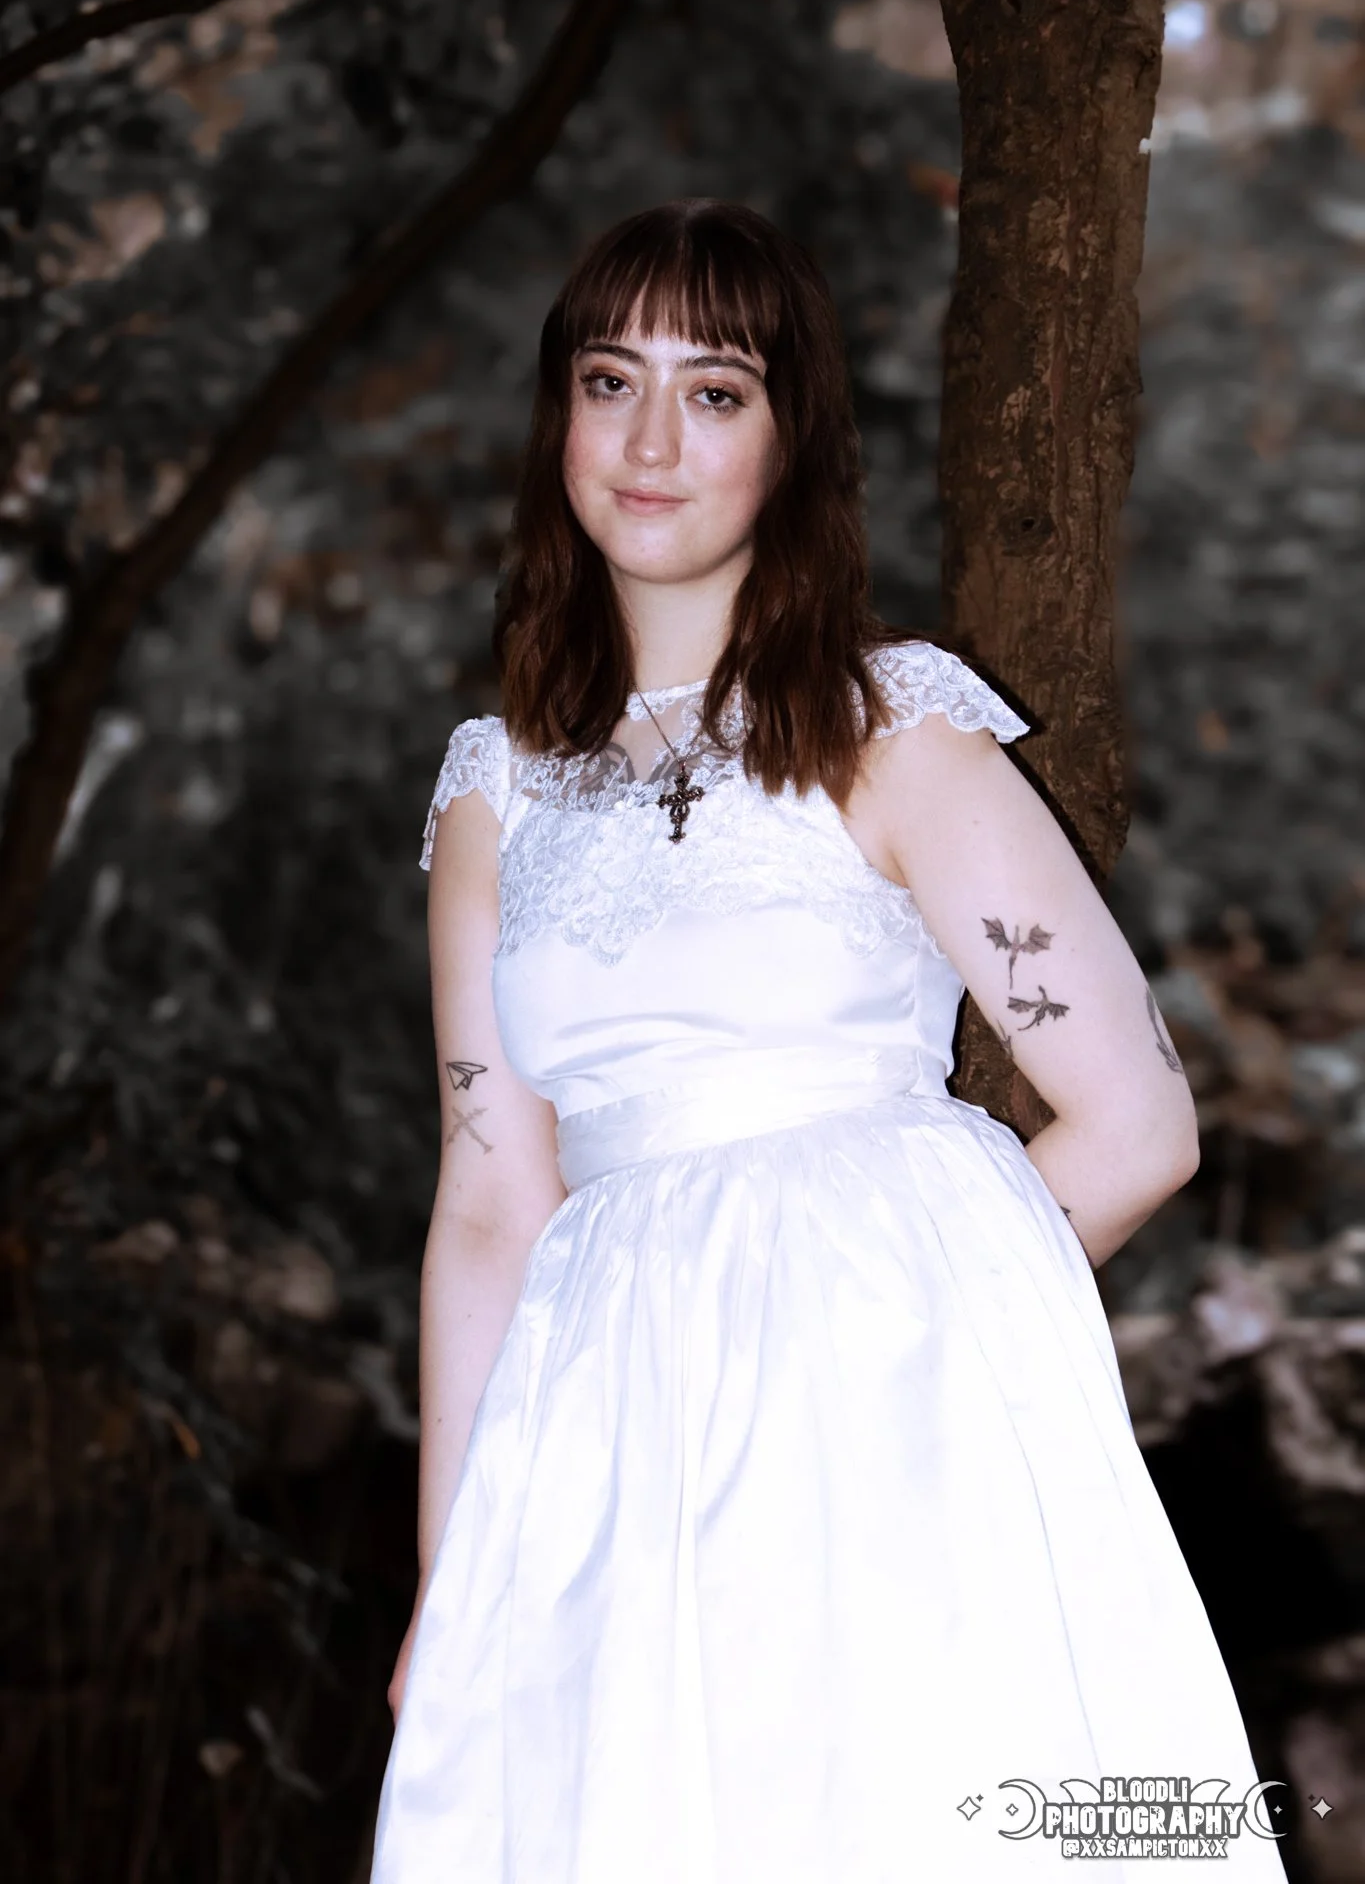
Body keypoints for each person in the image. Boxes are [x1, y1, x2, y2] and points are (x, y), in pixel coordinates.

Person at [370, 200, 1288, 1881]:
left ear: (793, 439)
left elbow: (1138, 1123)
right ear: (557, 418)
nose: (652, 441)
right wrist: (455, 1582)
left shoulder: (896, 729)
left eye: (716, 392)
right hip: (601, 1460)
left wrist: (883, 1333)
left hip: (886, 1441)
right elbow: (493, 1204)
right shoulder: (492, 792)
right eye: (608, 379)